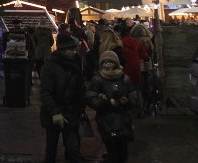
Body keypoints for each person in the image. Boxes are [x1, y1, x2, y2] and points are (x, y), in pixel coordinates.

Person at [86, 51, 140, 162]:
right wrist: (107, 102)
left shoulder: (124, 79)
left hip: (122, 120)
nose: (108, 64)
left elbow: (134, 98)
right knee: (112, 150)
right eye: (105, 62)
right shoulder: (97, 79)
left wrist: (126, 101)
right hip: (106, 121)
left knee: (123, 151)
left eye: (110, 61)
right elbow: (91, 99)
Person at [40, 34, 85, 163]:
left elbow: (80, 88)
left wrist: (80, 107)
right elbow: (45, 92)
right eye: (71, 49)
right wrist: (55, 112)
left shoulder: (74, 64)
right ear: (62, 50)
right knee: (51, 148)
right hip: (54, 115)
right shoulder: (50, 67)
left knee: (73, 148)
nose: (74, 52)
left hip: (71, 112)